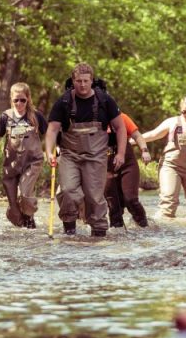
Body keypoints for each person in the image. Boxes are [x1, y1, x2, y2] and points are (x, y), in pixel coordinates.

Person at [44, 63, 128, 236]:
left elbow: (120, 128)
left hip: (96, 156)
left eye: (86, 81)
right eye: (78, 81)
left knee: (94, 196)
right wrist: (48, 152)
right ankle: (70, 227)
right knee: (68, 190)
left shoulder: (105, 101)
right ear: (73, 81)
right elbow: (52, 130)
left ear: (92, 81)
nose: (82, 85)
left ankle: (98, 232)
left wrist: (120, 153)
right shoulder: (64, 102)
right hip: (70, 155)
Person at [141, 96, 186, 219]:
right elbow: (153, 135)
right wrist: (131, 140)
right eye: (184, 112)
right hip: (171, 166)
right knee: (168, 203)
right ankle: (164, 232)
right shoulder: (172, 122)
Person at [0, 82, 47, 229]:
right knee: (14, 206)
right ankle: (21, 225)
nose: (19, 103)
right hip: (11, 165)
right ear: (11, 99)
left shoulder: (36, 116)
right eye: (16, 100)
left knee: (25, 193)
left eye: (22, 100)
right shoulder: (5, 117)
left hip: (32, 162)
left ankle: (29, 218)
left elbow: (50, 134)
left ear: (28, 99)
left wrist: (53, 150)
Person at [105, 111, 152, 228]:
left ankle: (144, 227)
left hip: (128, 165)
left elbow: (137, 135)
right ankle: (118, 234)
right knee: (113, 205)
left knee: (130, 199)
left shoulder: (121, 117)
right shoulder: (92, 121)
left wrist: (144, 150)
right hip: (106, 168)